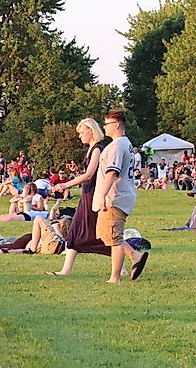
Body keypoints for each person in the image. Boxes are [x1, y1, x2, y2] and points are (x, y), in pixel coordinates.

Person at [49, 117, 147, 281]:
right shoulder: (113, 146)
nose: (80, 136)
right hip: (99, 194)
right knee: (102, 234)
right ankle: (130, 259)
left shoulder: (105, 147)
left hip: (102, 195)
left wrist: (66, 185)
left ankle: (119, 271)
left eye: (82, 132)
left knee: (106, 234)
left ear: (91, 130)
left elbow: (100, 174)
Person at [91, 110, 146, 283]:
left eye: (107, 124)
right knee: (108, 235)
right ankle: (135, 256)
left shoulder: (116, 146)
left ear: (116, 125)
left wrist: (102, 195)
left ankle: (115, 277)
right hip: (122, 195)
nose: (104, 127)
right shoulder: (125, 144)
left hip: (115, 197)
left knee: (114, 239)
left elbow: (112, 173)